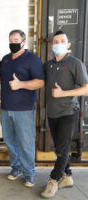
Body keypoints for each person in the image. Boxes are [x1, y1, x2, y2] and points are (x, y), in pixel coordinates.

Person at [41, 30, 88, 198]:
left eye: (62, 41)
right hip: (52, 113)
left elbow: (85, 88)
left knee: (62, 149)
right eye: (56, 41)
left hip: (68, 113)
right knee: (61, 147)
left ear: (68, 45)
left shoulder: (75, 63)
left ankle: (54, 180)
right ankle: (67, 176)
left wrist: (64, 94)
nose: (58, 43)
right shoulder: (48, 65)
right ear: (52, 45)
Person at [0, 30, 44, 188]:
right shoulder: (5, 59)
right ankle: (16, 168)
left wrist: (21, 85)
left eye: (16, 40)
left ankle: (29, 173)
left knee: (25, 143)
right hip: (5, 108)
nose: (13, 42)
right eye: (10, 39)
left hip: (24, 110)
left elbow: (40, 82)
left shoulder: (32, 60)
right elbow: (0, 77)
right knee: (10, 141)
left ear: (24, 42)